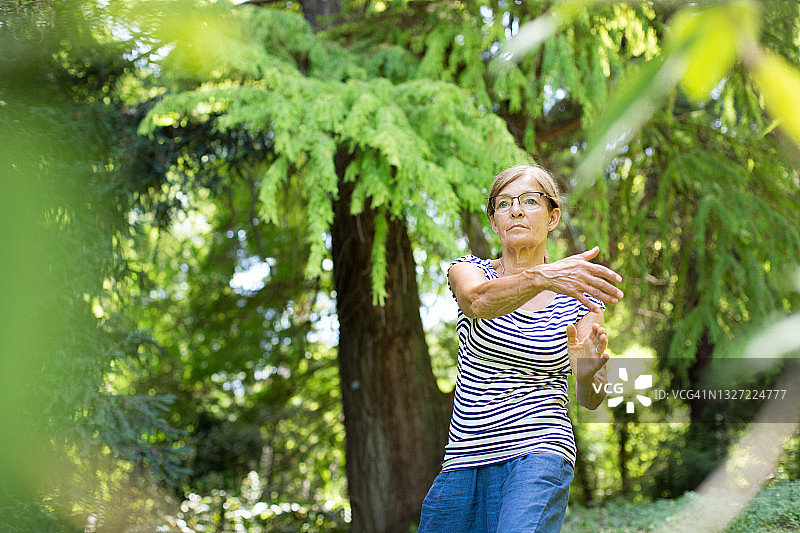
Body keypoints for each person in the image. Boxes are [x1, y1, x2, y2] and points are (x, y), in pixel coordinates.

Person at [418, 164, 624, 533]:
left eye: (530, 201)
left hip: (540, 450)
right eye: (504, 204)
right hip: (465, 457)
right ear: (494, 222)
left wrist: (587, 374)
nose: (515, 210)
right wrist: (544, 276)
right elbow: (477, 301)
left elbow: (591, 399)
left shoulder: (580, 298)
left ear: (552, 217)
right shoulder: (469, 271)